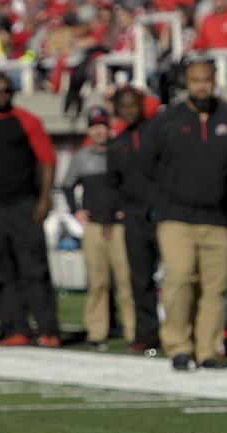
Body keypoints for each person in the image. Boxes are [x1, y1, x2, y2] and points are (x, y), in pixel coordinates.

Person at [140, 58, 227, 370]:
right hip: (176, 216)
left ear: (215, 81)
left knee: (215, 287)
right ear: (187, 83)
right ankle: (178, 345)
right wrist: (162, 198)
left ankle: (208, 349)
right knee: (180, 277)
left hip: (216, 217)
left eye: (207, 80)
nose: (202, 86)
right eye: (196, 80)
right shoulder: (168, 120)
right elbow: (146, 163)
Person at [0, 75, 60, 347]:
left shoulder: (28, 120)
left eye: (6, 90)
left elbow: (47, 160)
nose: (1, 94)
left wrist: (44, 198)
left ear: (13, 92)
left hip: (24, 205)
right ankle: (14, 328)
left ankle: (48, 330)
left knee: (35, 268)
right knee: (2, 270)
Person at [62, 107, 135, 350]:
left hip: (119, 225)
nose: (99, 130)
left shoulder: (120, 152)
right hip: (94, 225)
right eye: (94, 126)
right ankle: (96, 332)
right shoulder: (82, 157)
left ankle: (133, 332)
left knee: (126, 281)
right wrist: (76, 209)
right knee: (97, 283)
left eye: (102, 125)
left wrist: (127, 207)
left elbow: (133, 183)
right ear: (89, 130)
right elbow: (68, 185)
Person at [107, 85, 159, 356]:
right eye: (123, 106)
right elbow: (113, 182)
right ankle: (146, 335)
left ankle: (181, 332)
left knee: (177, 278)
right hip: (135, 218)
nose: (128, 111)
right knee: (140, 279)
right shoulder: (118, 143)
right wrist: (121, 209)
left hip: (164, 213)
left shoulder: (158, 133)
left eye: (132, 105)